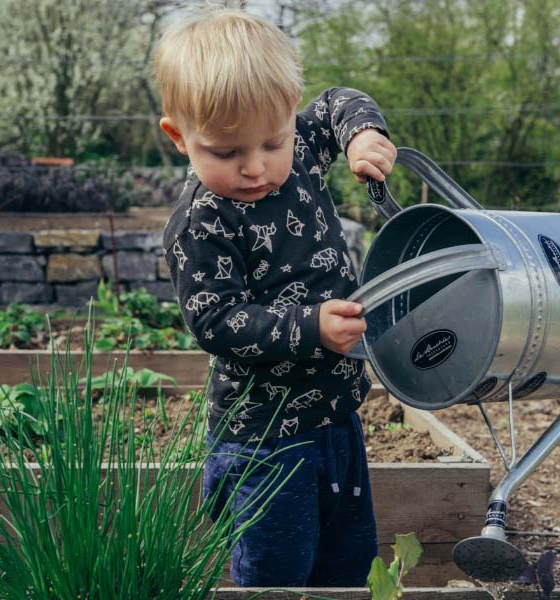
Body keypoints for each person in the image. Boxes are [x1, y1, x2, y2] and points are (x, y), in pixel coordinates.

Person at [155, 6, 396, 587]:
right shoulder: (201, 223)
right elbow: (216, 320)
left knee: (347, 565)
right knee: (276, 577)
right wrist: (310, 326)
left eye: (272, 141)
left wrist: (364, 134)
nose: (256, 167)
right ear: (178, 137)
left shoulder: (304, 149)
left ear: (290, 116)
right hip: (264, 442)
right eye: (226, 152)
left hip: (339, 418)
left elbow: (340, 100)